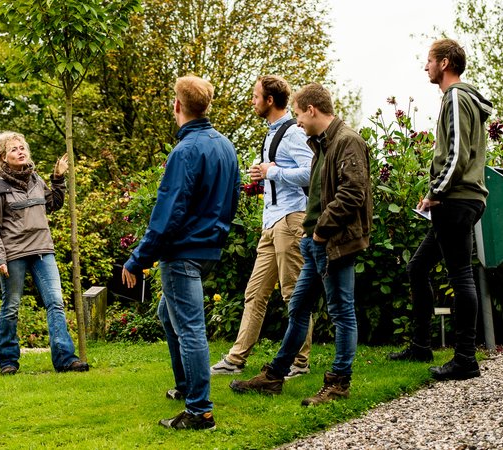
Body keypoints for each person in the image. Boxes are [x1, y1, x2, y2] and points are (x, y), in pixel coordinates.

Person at [230, 83, 372, 407]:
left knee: (341, 312)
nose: (297, 122)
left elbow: (352, 194)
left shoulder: (348, 141)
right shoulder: (321, 143)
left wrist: (320, 232)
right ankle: (274, 376)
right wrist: (312, 234)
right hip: (315, 242)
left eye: (298, 114)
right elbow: (319, 193)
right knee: (297, 308)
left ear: (311, 109)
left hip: (336, 243)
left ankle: (338, 384)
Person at [122, 75, 239, 430]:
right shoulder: (225, 146)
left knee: (189, 328)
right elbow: (231, 200)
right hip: (208, 248)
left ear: (177, 105)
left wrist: (138, 258)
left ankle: (199, 409)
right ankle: (187, 386)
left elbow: (167, 212)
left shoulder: (185, 150)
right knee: (166, 312)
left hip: (184, 251)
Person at [388, 39, 491, 381]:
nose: (426, 67)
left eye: (429, 60)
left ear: (445, 62)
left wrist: (435, 192)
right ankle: (421, 345)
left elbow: (458, 152)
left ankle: (465, 359)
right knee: (418, 268)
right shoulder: (461, 98)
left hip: (457, 199)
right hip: (461, 199)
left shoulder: (457, 96)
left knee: (460, 275)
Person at [211, 75, 314, 378]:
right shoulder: (271, 134)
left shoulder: (293, 132)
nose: (253, 101)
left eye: (256, 96)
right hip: (271, 222)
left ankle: (300, 361)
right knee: (255, 293)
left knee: (294, 293)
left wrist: (274, 172)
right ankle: (236, 358)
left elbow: (311, 171)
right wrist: (263, 175)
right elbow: (277, 172)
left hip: (291, 220)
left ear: (270, 101)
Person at [0, 131, 89, 375]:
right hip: (13, 253)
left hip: (42, 248)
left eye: (22, 147)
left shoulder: (35, 180)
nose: (20, 151)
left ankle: (65, 359)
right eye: (14, 149)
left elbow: (53, 204)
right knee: (11, 306)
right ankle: (8, 362)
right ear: (3, 157)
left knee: (56, 302)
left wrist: (58, 178)